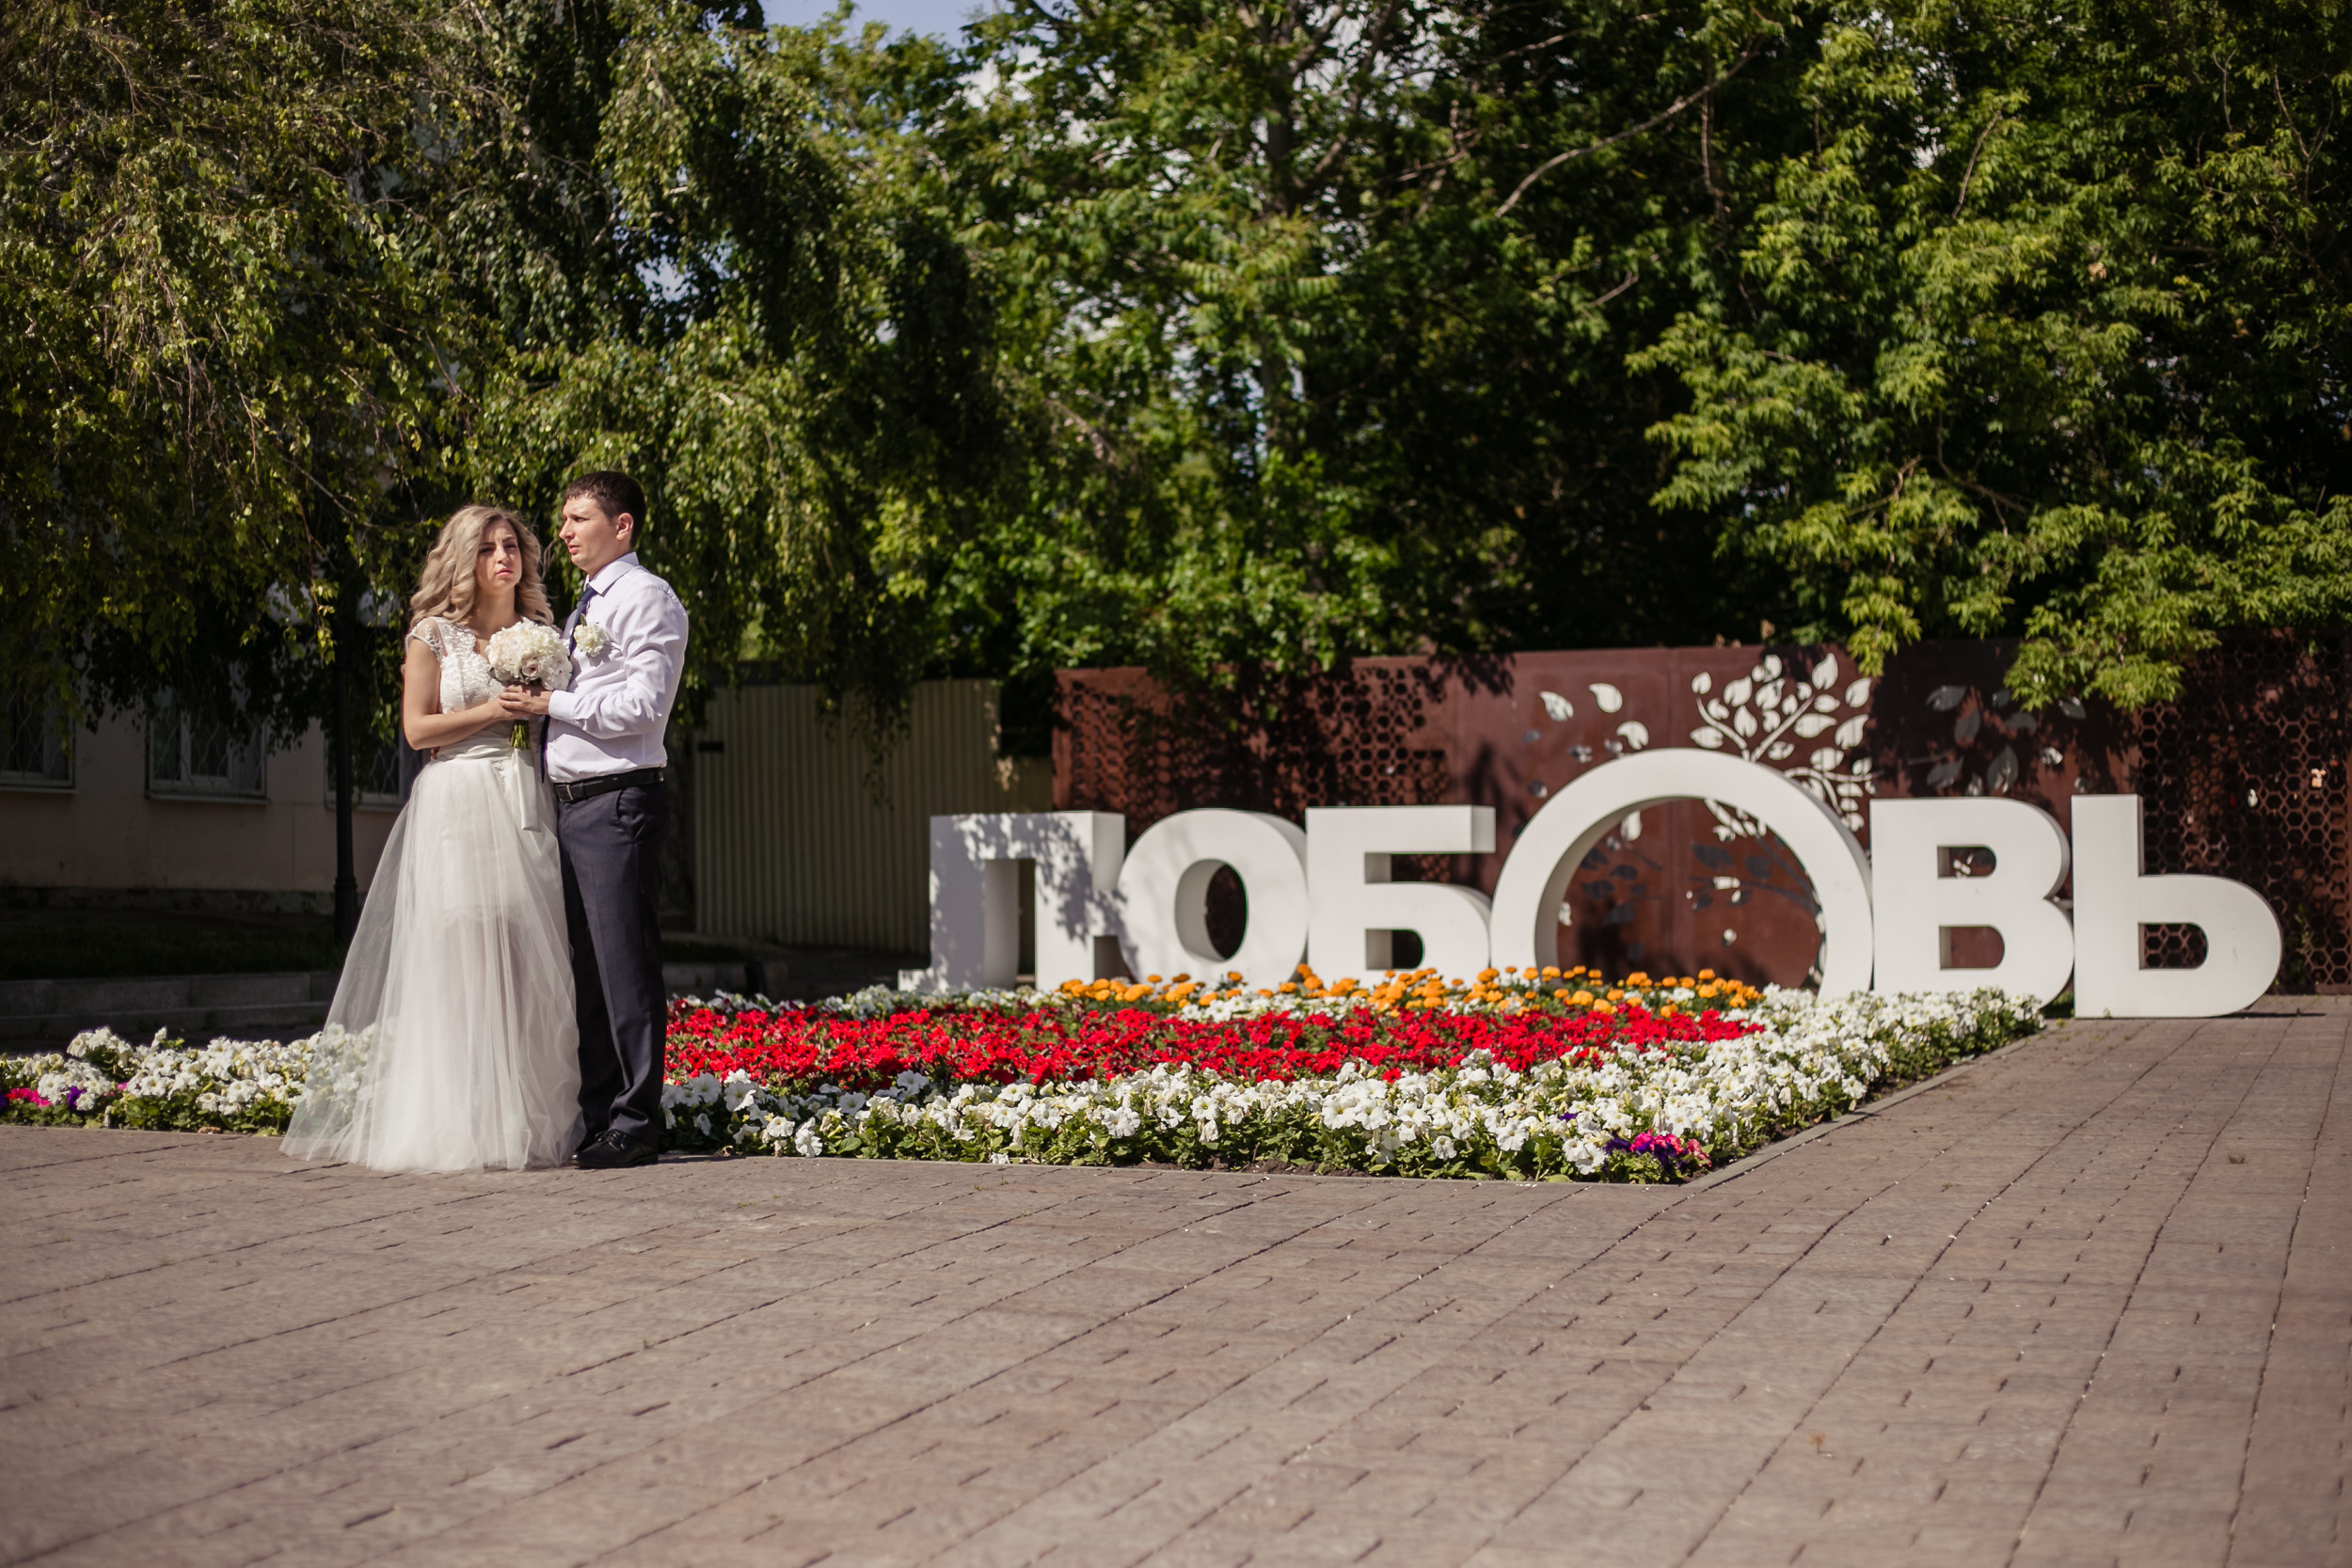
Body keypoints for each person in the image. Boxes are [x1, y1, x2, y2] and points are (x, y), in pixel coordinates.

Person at [284, 506, 582, 1172]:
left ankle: (526, 1116)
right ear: (463, 560)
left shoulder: (541, 635)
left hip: (523, 797)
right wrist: (491, 709)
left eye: (512, 546)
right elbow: (417, 731)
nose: (504, 557)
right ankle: (464, 1121)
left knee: (528, 961)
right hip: (458, 799)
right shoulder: (433, 636)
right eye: (487, 547)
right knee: (466, 956)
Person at [498, 471, 689, 1170]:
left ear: (624, 525)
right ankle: (602, 1113)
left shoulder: (647, 599)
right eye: (566, 519)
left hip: (618, 801)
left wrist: (553, 706)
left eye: (579, 518)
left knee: (624, 965)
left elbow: (645, 706)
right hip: (572, 807)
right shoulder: (583, 607)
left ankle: (637, 1120)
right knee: (585, 967)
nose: (566, 531)